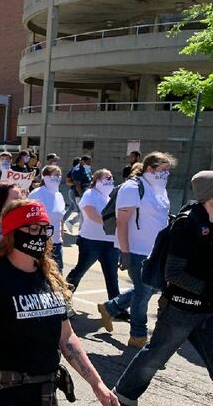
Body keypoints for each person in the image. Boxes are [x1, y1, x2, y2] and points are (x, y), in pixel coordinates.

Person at [0, 200, 119, 406]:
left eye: (45, 228)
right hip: (3, 393)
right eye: (33, 228)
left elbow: (67, 337)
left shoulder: (49, 276)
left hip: (45, 392)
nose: (41, 235)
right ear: (13, 232)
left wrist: (97, 384)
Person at [113, 170, 213, 405]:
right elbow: (174, 273)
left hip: (208, 310)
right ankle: (124, 396)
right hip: (181, 310)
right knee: (154, 357)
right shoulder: (188, 224)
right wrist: (208, 289)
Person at [98, 152, 175, 348]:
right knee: (143, 294)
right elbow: (122, 222)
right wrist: (125, 252)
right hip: (136, 251)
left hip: (156, 251)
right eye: (163, 170)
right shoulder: (132, 187)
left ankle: (110, 308)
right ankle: (138, 335)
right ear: (150, 168)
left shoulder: (159, 189)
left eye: (168, 171)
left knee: (149, 288)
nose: (166, 174)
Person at [66, 169, 121, 301]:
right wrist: (115, 223)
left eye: (112, 178)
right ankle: (64, 299)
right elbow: (93, 216)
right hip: (91, 242)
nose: (110, 180)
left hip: (110, 242)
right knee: (80, 271)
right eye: (107, 178)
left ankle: (116, 306)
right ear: (97, 180)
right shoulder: (90, 194)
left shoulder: (109, 198)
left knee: (112, 276)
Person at [28, 165, 66, 270]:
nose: (58, 178)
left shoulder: (59, 195)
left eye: (59, 175)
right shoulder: (36, 194)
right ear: (45, 177)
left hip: (57, 242)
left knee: (58, 271)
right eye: (55, 175)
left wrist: (61, 235)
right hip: (41, 241)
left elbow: (61, 217)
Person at [63, 157, 83, 234]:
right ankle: (70, 222)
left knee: (72, 208)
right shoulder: (74, 170)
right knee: (80, 211)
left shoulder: (79, 170)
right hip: (74, 192)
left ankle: (62, 222)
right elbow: (67, 182)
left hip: (74, 192)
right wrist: (77, 183)